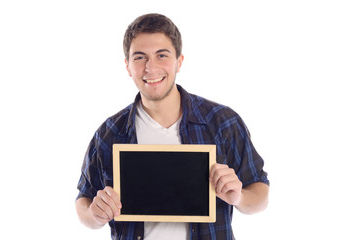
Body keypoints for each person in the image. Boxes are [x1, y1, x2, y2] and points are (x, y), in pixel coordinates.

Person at [75, 13, 269, 240]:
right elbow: (84, 200)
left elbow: (260, 194)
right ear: (128, 66)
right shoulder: (109, 134)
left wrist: (239, 198)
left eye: (162, 55)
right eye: (140, 57)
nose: (151, 67)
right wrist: (95, 214)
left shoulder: (222, 122)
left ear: (179, 61)